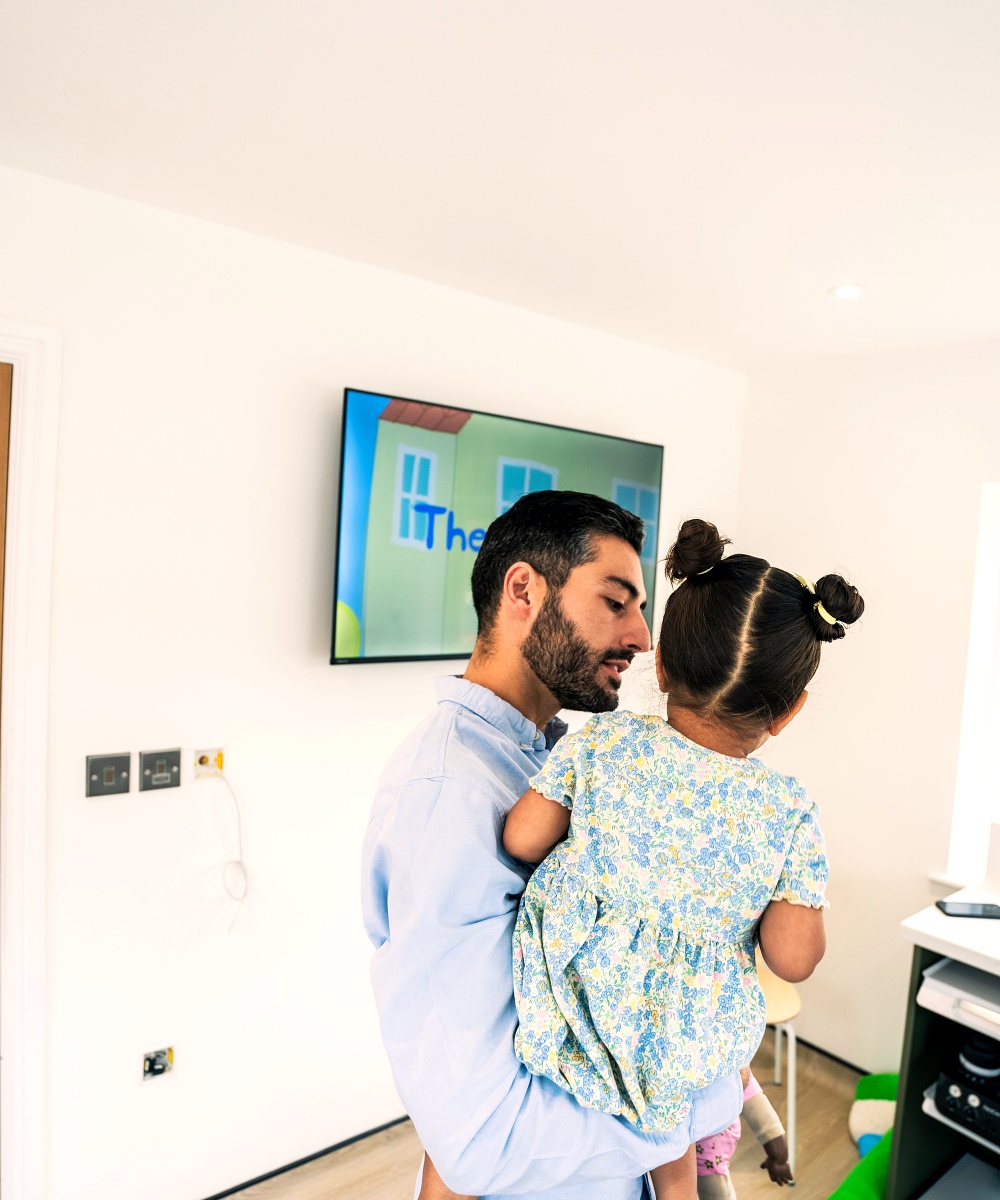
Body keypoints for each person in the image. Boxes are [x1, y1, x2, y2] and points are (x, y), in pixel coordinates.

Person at [361, 493, 742, 1200]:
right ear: (523, 590)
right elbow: (481, 1140)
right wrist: (708, 1094)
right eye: (616, 602)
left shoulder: (558, 763)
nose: (642, 638)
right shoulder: (451, 798)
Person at [497, 518, 864, 1198]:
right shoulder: (788, 810)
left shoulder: (602, 742)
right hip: (685, 1037)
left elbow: (520, 839)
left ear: (661, 666)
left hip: (576, 1000)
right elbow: (792, 959)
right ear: (789, 711)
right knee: (678, 1142)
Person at [694, 1068, 791, 1199]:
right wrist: (779, 1158)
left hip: (706, 1148)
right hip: (699, 1140)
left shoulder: (730, 1068)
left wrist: (779, 1157)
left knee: (714, 1191)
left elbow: (757, 1107)